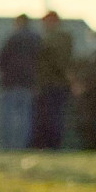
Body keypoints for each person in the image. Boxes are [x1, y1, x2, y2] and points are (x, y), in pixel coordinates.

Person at [0, 13, 40, 150]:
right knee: (25, 117)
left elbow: (1, 59)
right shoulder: (36, 39)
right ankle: (22, 145)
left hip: (11, 83)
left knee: (9, 116)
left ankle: (9, 145)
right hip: (28, 83)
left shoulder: (12, 38)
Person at [34, 11, 74, 150]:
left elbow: (60, 62)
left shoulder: (57, 38)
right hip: (50, 84)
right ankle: (49, 144)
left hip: (54, 84)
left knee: (53, 116)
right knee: (51, 116)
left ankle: (52, 145)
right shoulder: (54, 38)